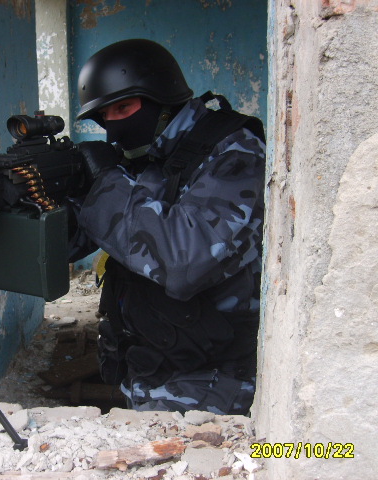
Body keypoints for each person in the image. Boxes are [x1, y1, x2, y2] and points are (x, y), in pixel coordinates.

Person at [67, 39, 266, 414]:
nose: (114, 128)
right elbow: (92, 237)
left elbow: (184, 261)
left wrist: (106, 184)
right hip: (149, 363)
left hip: (211, 379)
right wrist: (52, 203)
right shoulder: (145, 153)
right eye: (104, 116)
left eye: (123, 108)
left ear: (162, 98)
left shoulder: (234, 150)